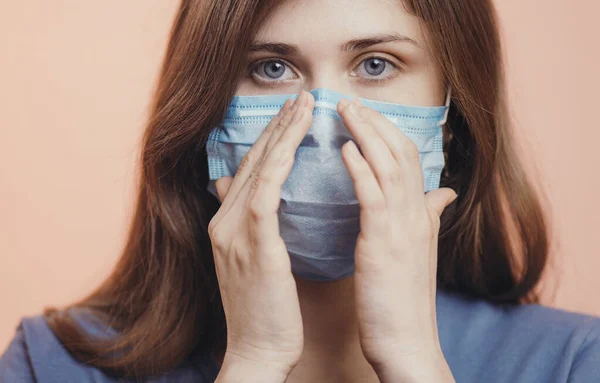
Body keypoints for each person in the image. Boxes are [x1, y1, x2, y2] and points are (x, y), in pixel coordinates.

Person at [1, 0, 599, 382]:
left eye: (374, 64)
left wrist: (412, 359)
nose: (319, 119)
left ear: (454, 113)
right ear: (204, 113)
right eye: (271, 67)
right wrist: (254, 364)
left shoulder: (571, 364)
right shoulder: (51, 365)